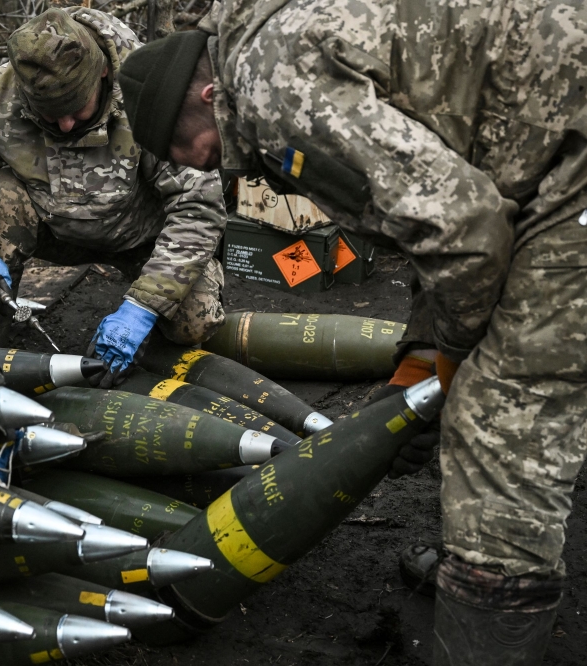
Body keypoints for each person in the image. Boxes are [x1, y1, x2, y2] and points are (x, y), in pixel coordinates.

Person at [116, 1, 587, 663]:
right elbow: (432, 216)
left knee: (501, 429)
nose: (196, 165)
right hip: (545, 137)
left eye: (179, 146)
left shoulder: (269, 90)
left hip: (569, 166)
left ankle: (492, 595)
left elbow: (466, 232)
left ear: (204, 94)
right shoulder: (274, 40)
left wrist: (455, 355)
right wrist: (422, 350)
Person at [0, 7, 227, 381]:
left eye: (76, 108)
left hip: (143, 238)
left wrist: (143, 306)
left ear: (103, 73)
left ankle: (145, 355)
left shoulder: (148, 92)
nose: (65, 124)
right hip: (51, 229)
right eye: (49, 114)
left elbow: (199, 206)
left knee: (196, 321)